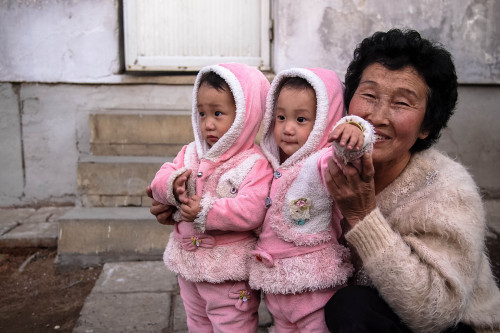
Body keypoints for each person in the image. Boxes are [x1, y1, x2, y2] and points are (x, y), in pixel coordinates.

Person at [323, 29, 500, 333]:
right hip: (384, 314)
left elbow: (436, 312)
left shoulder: (447, 189)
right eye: (368, 95)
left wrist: (363, 216)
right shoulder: (326, 166)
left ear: (426, 127)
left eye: (402, 103)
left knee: (350, 307)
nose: (378, 116)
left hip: (459, 326)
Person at [248, 67, 375, 332]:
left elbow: (347, 156)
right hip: (276, 286)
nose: (287, 128)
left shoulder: (320, 161)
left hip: (314, 287)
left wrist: (354, 130)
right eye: (281, 117)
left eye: (301, 119)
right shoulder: (272, 164)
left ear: (324, 123)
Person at [149, 63, 273, 332]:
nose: (208, 123)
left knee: (233, 326)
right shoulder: (191, 152)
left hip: (229, 275)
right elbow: (162, 176)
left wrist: (206, 210)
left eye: (218, 113)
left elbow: (252, 210)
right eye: (202, 113)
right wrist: (171, 187)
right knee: (197, 322)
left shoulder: (254, 163)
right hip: (188, 266)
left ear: (245, 115)